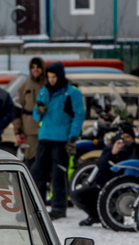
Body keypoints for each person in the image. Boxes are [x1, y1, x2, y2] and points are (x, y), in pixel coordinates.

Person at [32, 62, 85, 219]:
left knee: (58, 174)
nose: (51, 80)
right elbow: (36, 116)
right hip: (45, 137)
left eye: (54, 77)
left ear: (60, 76)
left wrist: (72, 137)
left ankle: (59, 208)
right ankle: (38, 206)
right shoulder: (43, 92)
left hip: (62, 140)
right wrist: (38, 111)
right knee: (38, 173)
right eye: (49, 77)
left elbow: (79, 115)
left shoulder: (72, 93)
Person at [71, 124, 139, 226]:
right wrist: (112, 153)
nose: (125, 140)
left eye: (128, 137)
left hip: (125, 188)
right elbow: (100, 166)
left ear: (133, 138)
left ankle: (114, 217)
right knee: (77, 195)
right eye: (123, 137)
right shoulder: (110, 149)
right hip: (102, 186)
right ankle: (96, 216)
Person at [13, 57, 45, 162]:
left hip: (47, 128)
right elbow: (17, 108)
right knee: (30, 157)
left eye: (38, 67)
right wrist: (18, 130)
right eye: (33, 67)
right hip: (29, 129)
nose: (35, 69)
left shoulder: (47, 84)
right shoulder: (25, 86)